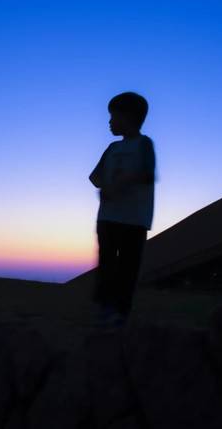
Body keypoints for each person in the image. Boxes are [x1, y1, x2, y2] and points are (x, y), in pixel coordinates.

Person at [89, 91, 156, 326]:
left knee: (128, 266)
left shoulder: (144, 144)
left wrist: (119, 184)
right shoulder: (112, 148)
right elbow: (95, 177)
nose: (109, 122)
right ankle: (104, 308)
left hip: (135, 219)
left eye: (113, 116)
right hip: (108, 217)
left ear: (128, 117)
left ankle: (120, 312)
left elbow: (147, 174)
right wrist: (105, 185)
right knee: (107, 263)